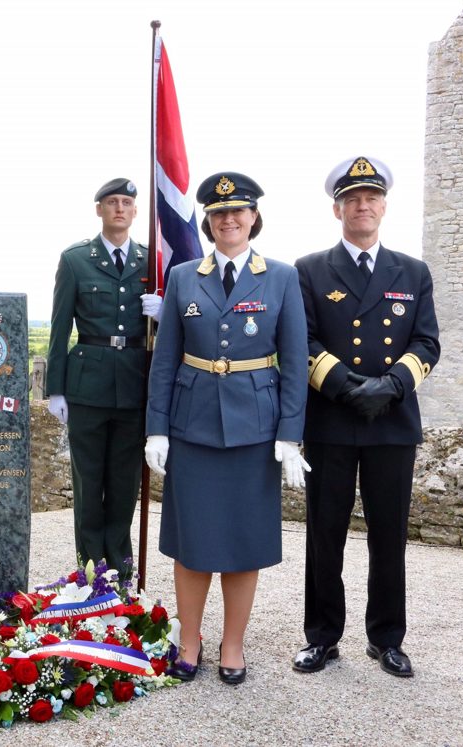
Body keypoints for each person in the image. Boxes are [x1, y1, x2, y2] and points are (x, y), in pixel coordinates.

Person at [144, 172, 309, 684]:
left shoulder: (281, 277)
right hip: (191, 427)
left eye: (237, 211)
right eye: (218, 214)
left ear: (254, 217)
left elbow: (295, 361)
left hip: (254, 431)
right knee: (192, 543)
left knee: (243, 544)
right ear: (208, 222)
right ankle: (189, 641)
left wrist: (289, 434)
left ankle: (233, 644)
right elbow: (165, 359)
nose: (228, 220)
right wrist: (156, 428)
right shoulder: (183, 276)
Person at [291, 157, 440, 678]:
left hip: (392, 423)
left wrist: (391, 386)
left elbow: (427, 342)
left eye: (371, 198)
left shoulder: (413, 272)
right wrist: (346, 386)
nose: (362, 206)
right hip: (331, 420)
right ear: (337, 209)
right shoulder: (309, 269)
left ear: (383, 207)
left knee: (389, 535)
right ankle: (321, 637)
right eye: (352, 199)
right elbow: (302, 340)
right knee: (324, 534)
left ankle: (387, 639)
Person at [45, 178, 161, 576]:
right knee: (89, 484)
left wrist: (164, 314)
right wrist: (55, 389)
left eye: (127, 202)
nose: (119, 208)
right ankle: (91, 571)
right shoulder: (76, 259)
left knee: (125, 485)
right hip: (87, 388)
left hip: (134, 386)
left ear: (135, 210)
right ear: (99, 209)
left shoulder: (152, 261)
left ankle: (121, 571)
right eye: (112, 202)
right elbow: (59, 328)